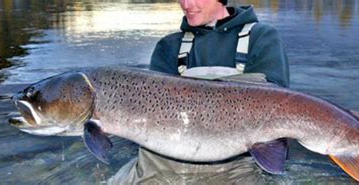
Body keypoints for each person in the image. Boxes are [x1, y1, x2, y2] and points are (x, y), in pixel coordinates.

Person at [108, 0, 290, 184]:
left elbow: (278, 109)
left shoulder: (261, 38)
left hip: (235, 168)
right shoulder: (168, 46)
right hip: (162, 165)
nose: (186, 4)